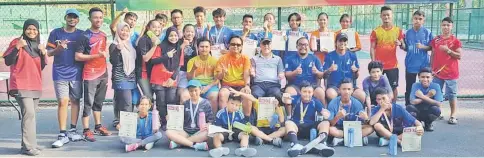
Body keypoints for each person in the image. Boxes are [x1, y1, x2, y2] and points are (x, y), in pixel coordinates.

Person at [3, 19, 47, 156]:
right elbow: (8, 60)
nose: (32, 32)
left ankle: (29, 144)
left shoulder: (38, 45)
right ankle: (28, 147)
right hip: (21, 84)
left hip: (35, 84)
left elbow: (42, 66)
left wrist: (43, 53)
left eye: (35, 29)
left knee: (30, 116)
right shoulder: (17, 41)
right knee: (29, 114)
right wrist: (17, 47)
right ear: (24, 29)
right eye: (29, 29)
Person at [47, 9, 84, 148]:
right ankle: (62, 133)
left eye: (75, 17)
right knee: (63, 102)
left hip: (76, 72)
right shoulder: (55, 33)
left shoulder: (81, 34)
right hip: (59, 72)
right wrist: (59, 49)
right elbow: (49, 53)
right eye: (70, 17)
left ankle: (73, 130)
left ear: (78, 20)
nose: (72, 19)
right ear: (65, 18)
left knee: (75, 100)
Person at [75, 7, 111, 141]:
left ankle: (98, 126)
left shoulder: (103, 35)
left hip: (103, 73)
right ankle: (86, 129)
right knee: (88, 103)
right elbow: (78, 56)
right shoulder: (84, 36)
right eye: (96, 17)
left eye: (101, 17)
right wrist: (97, 55)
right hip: (90, 74)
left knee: (99, 102)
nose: (99, 20)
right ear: (90, 19)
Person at [418, 17, 462, 125]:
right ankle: (438, 113)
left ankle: (453, 115)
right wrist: (431, 69)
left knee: (452, 94)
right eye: (444, 25)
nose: (446, 27)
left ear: (452, 27)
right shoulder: (436, 39)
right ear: (441, 26)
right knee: (437, 93)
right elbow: (432, 54)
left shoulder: (455, 41)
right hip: (437, 73)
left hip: (451, 73)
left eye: (448, 25)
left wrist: (448, 50)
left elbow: (459, 56)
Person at [282, 82, 334, 157]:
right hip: (297, 127)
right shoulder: (296, 98)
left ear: (313, 93)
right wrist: (285, 97)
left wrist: (327, 114)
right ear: (300, 92)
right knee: (288, 122)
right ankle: (295, 144)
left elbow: (324, 113)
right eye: (304, 92)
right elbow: (286, 101)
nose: (307, 94)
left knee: (325, 123)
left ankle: (321, 144)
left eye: (309, 92)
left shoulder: (315, 101)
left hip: (311, 128)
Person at [370, 6, 405, 103]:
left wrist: (400, 44)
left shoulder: (398, 30)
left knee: (393, 87)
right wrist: (373, 62)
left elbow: (403, 45)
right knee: (377, 87)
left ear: (391, 16)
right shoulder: (376, 31)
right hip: (379, 66)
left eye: (388, 15)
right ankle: (378, 106)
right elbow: (372, 47)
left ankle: (393, 106)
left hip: (392, 65)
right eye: (384, 15)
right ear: (380, 16)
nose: (386, 17)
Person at [150, 27, 182, 130]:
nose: (173, 37)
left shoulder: (179, 48)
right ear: (167, 36)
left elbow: (179, 65)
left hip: (171, 78)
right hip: (159, 78)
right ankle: (163, 122)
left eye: (175, 35)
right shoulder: (160, 47)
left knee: (171, 100)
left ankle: (172, 122)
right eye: (171, 35)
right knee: (161, 101)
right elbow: (152, 61)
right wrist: (166, 56)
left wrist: (173, 78)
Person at [284, 37, 326, 116]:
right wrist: (294, 72)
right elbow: (287, 75)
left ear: (309, 47)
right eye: (301, 44)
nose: (303, 46)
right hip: (295, 86)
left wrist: (317, 72)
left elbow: (321, 75)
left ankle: (322, 116)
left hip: (312, 86)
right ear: (297, 46)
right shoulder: (290, 59)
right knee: (289, 93)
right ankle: (289, 117)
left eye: (306, 45)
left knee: (320, 92)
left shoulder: (315, 58)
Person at [166, 80, 212, 151]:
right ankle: (194, 145)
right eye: (191, 91)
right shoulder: (185, 103)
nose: (193, 93)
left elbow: (210, 120)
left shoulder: (206, 103)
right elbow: (179, 119)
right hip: (185, 132)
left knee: (208, 132)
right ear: (188, 91)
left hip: (199, 132)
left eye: (195, 90)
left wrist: (208, 124)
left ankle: (180, 143)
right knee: (168, 132)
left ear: (200, 89)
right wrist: (170, 118)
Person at [109, 22, 138, 130]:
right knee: (127, 102)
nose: (124, 32)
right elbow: (114, 61)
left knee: (130, 101)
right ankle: (127, 128)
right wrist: (117, 49)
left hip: (131, 78)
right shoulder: (114, 44)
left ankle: (123, 123)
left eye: (127, 30)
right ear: (118, 31)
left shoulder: (130, 44)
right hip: (120, 78)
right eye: (122, 30)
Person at [327, 79, 373, 146]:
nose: (346, 92)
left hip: (353, 127)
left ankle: (342, 140)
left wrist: (366, 118)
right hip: (339, 128)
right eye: (344, 89)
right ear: (339, 90)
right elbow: (331, 123)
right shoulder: (333, 103)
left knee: (370, 128)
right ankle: (357, 138)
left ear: (352, 90)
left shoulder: (357, 103)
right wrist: (337, 117)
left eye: (349, 89)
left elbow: (365, 122)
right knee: (330, 130)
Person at [322, 32, 365, 103]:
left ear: (347, 43)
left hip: (350, 86)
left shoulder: (352, 55)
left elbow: (356, 76)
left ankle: (357, 111)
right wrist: (330, 70)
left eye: (344, 41)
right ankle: (335, 111)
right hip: (334, 86)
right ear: (336, 43)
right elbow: (324, 75)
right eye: (340, 41)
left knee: (362, 95)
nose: (342, 43)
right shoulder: (329, 55)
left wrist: (356, 71)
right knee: (330, 94)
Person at [402, 10, 433, 106]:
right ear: (412, 19)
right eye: (416, 19)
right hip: (410, 64)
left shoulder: (427, 32)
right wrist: (401, 45)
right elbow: (406, 48)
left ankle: (424, 105)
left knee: (424, 86)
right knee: (410, 87)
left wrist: (423, 47)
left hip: (423, 65)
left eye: (420, 19)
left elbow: (432, 47)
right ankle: (408, 105)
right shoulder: (407, 33)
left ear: (423, 20)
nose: (417, 21)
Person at [216, 36, 252, 118]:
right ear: (229, 45)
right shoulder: (222, 59)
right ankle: (224, 120)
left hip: (241, 85)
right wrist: (223, 72)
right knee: (222, 94)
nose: (235, 46)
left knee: (247, 94)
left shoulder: (245, 58)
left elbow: (246, 74)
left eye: (238, 45)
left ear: (241, 47)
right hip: (227, 85)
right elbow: (219, 77)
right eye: (233, 44)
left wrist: (247, 85)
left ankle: (246, 120)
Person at [187, 39, 220, 113]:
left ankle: (212, 120)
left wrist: (207, 87)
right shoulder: (192, 61)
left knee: (213, 96)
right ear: (197, 47)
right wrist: (193, 68)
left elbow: (216, 79)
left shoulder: (215, 61)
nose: (204, 49)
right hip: (195, 85)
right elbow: (189, 79)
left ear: (210, 48)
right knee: (185, 96)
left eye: (206, 47)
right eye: (201, 47)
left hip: (210, 86)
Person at [136, 20, 162, 100]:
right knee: (148, 97)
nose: (157, 29)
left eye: (158, 27)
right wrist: (154, 46)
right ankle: (146, 112)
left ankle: (152, 112)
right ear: (148, 28)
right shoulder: (144, 39)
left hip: (153, 73)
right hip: (143, 73)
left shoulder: (157, 39)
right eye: (154, 27)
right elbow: (146, 58)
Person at [178, 24, 198, 105]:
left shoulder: (196, 42)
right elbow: (175, 55)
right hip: (179, 72)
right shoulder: (179, 41)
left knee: (183, 94)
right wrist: (183, 45)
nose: (190, 33)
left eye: (192, 32)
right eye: (187, 31)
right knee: (177, 94)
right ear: (183, 32)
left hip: (190, 73)